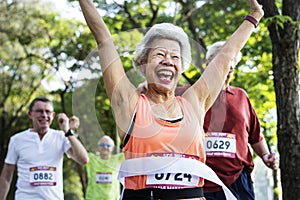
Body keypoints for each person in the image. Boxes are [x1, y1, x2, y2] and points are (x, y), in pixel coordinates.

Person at [79, 0, 264, 199]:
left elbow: (226, 56)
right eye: (160, 54)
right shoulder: (129, 104)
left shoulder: (194, 103)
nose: (168, 60)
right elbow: (104, 39)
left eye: (175, 57)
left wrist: (254, 16)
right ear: (143, 64)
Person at [177, 41, 280, 200]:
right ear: (207, 64)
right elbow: (159, 94)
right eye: (220, 60)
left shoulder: (241, 96)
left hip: (238, 180)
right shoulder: (188, 94)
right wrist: (146, 86)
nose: (225, 65)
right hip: (199, 180)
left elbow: (255, 136)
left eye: (230, 61)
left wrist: (266, 155)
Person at [0, 97, 89, 200]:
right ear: (30, 114)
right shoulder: (17, 140)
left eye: (48, 112)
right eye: (39, 111)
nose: (44, 115)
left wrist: (67, 130)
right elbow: (6, 176)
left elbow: (84, 159)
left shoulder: (61, 137)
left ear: (53, 115)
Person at [84, 135, 124, 200]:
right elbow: (80, 153)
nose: (105, 147)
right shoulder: (91, 158)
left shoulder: (118, 159)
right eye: (102, 145)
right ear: (98, 146)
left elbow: (131, 149)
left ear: (113, 147)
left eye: (108, 145)